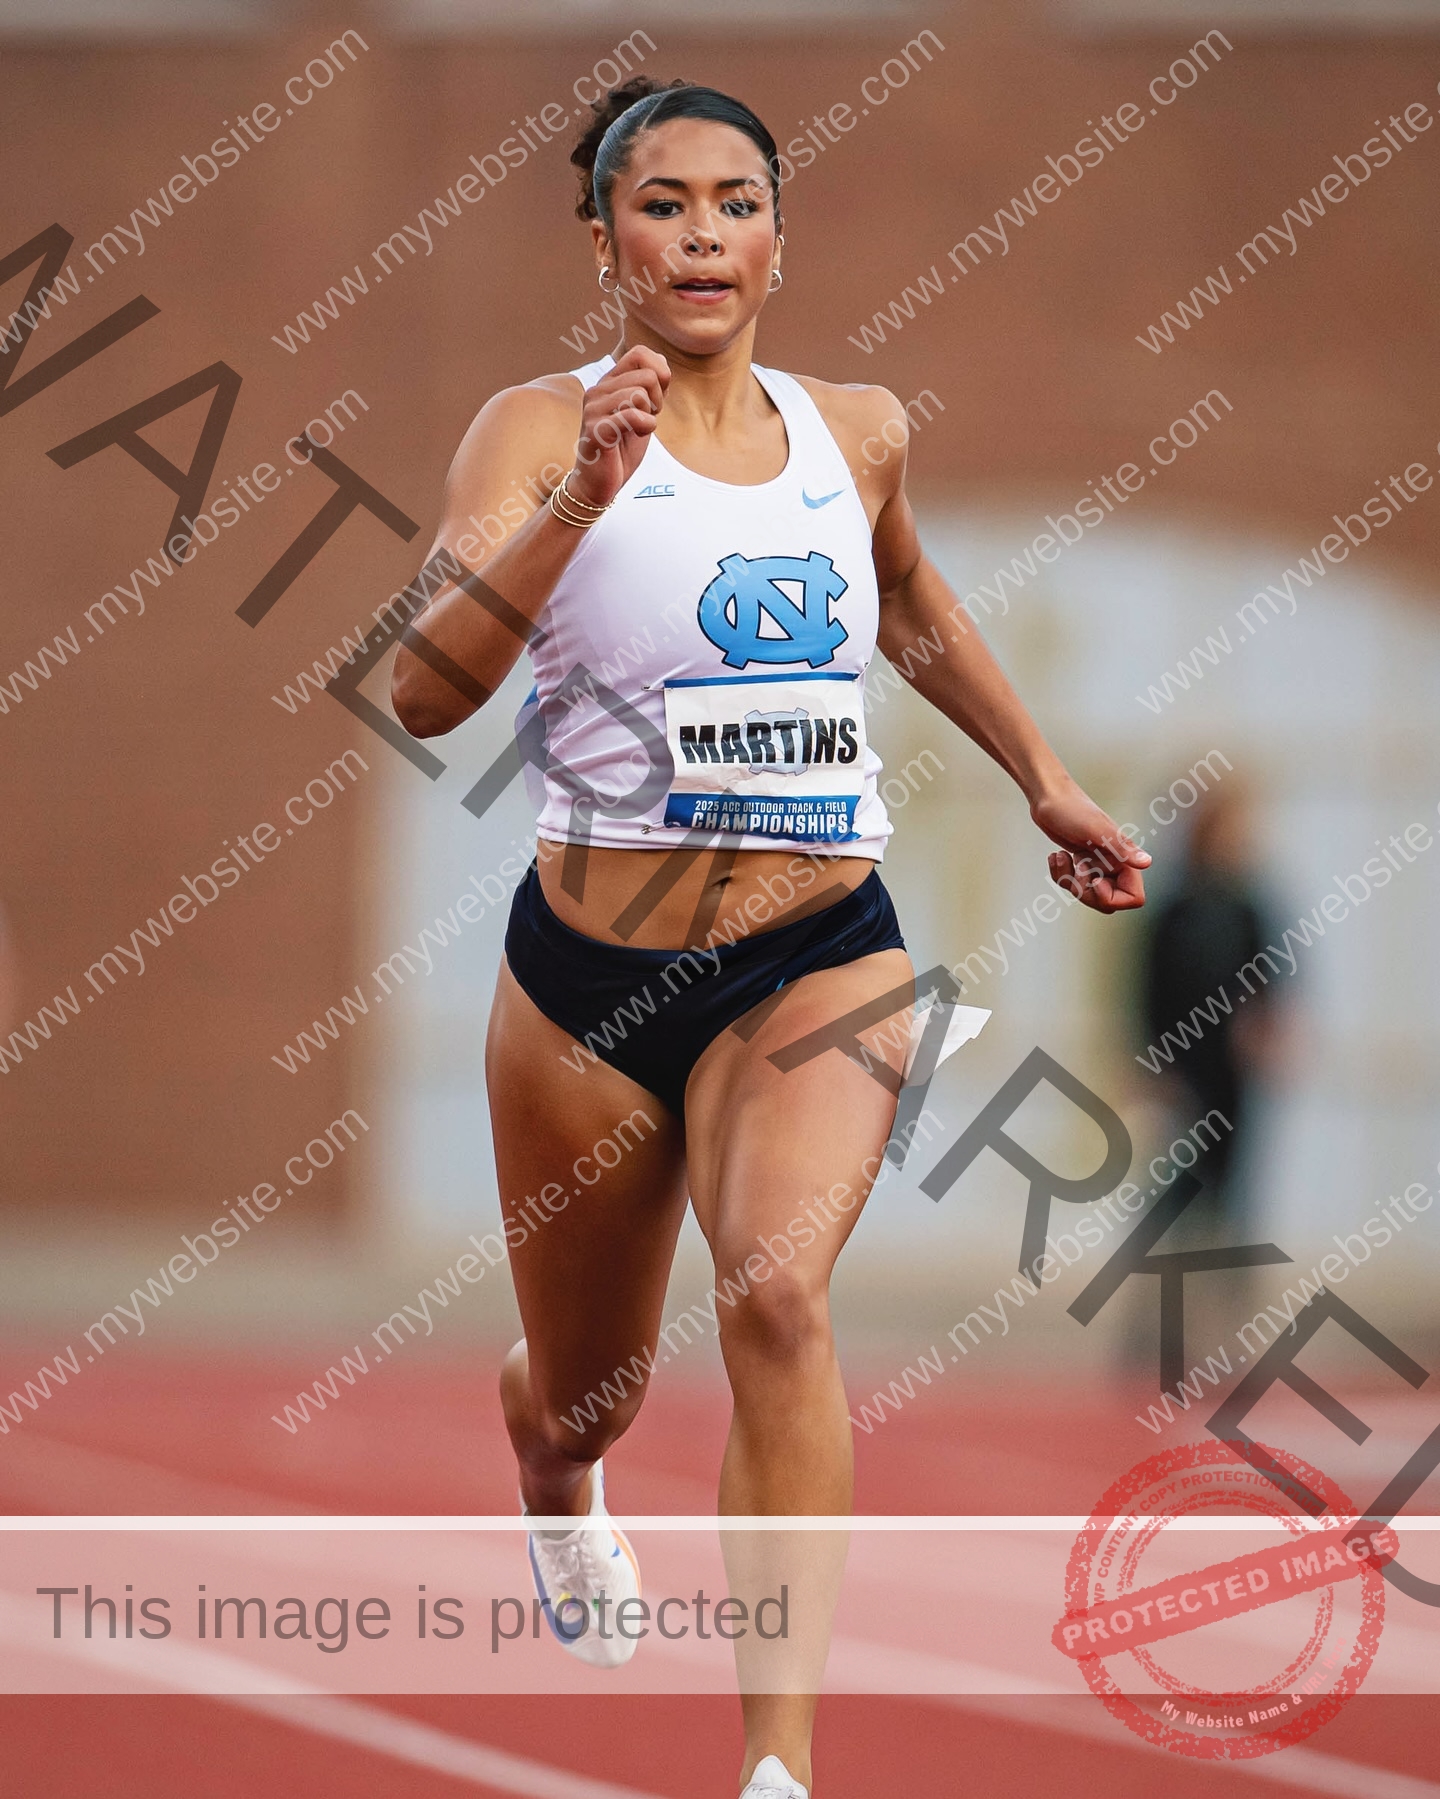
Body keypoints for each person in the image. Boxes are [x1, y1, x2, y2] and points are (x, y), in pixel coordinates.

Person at [391, 75, 1149, 1799]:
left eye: (736, 203)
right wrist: (581, 499)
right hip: (593, 983)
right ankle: (555, 1468)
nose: (702, 235)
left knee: (779, 1294)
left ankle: (779, 1768)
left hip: (820, 952)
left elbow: (908, 598)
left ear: (780, 240)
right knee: (589, 1395)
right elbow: (426, 691)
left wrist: (1044, 780)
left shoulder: (857, 429)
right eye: (661, 205)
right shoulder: (535, 430)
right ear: (604, 242)